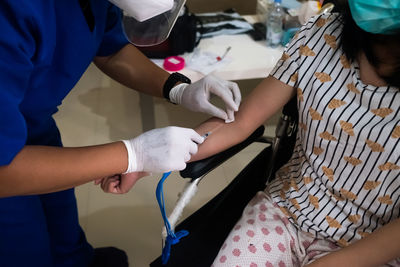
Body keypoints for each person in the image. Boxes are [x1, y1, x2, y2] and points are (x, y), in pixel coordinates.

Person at [0, 0, 241, 266]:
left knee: (63, 230)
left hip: (34, 126)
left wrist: (177, 88)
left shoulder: (95, 5)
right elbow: (5, 172)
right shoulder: (15, 11)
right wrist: (132, 156)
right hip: (8, 161)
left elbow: (111, 49)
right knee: (26, 249)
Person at [187, 0, 400, 266]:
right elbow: (240, 123)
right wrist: (145, 158)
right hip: (287, 211)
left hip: (371, 244)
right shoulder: (323, 31)